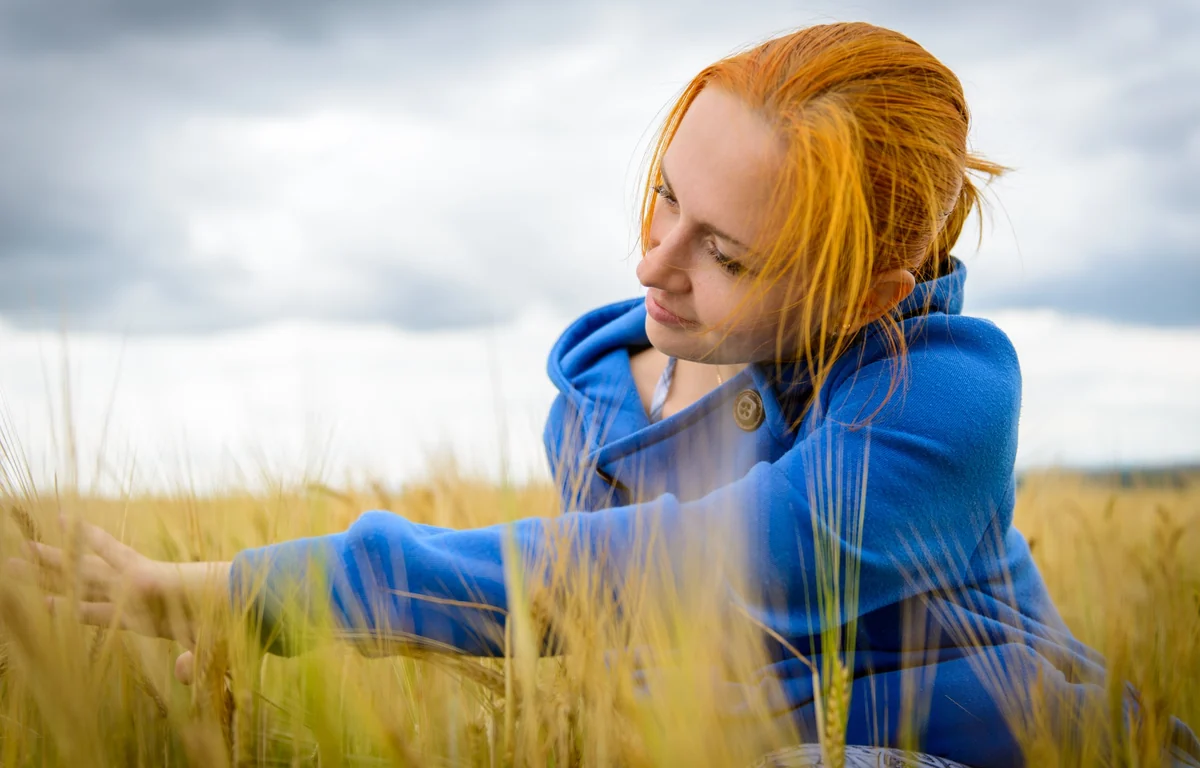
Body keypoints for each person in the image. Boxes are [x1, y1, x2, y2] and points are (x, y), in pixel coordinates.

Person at [9, 21, 1198, 768]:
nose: (651, 264)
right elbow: (576, 635)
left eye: (726, 255)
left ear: (863, 292)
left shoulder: (941, 400)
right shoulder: (593, 396)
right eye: (664, 195)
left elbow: (646, 576)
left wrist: (267, 590)